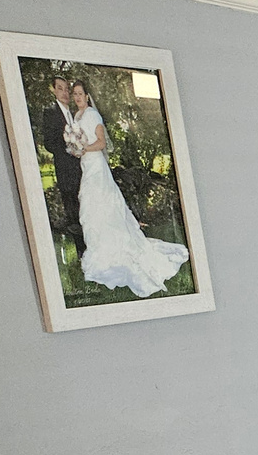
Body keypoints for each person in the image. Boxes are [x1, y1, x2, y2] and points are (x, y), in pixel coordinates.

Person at [63, 80, 190, 297]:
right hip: (86, 165)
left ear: (87, 95)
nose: (77, 97)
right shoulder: (76, 117)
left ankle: (113, 249)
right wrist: (76, 149)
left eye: (80, 94)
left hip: (96, 167)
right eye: (74, 94)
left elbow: (101, 143)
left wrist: (84, 148)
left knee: (100, 204)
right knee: (91, 208)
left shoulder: (92, 114)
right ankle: (98, 248)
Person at [34, 76, 85, 255]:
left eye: (66, 89)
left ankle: (91, 242)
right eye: (60, 88)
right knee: (72, 209)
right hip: (65, 169)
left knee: (85, 205)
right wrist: (68, 147)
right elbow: (49, 143)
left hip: (81, 168)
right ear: (54, 91)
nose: (64, 92)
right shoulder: (50, 112)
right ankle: (81, 251)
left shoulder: (74, 114)